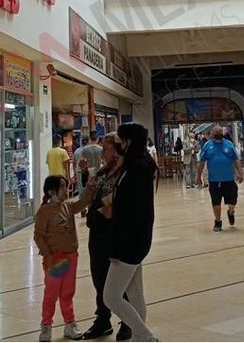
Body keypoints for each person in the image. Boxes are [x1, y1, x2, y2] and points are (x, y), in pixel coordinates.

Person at [103, 123, 158, 342]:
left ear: (129, 141)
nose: (117, 142)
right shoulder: (136, 165)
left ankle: (145, 335)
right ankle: (139, 336)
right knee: (135, 293)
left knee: (111, 297)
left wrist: (116, 246)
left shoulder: (137, 168)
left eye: (120, 138)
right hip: (136, 239)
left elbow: (133, 211)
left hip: (130, 241)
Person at [34, 174, 96, 342]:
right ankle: (46, 325)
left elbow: (84, 202)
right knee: (52, 293)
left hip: (71, 256)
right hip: (56, 259)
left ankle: (70, 323)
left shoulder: (68, 206)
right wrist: (47, 255)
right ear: (51, 191)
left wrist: (89, 187)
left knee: (68, 292)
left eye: (66, 186)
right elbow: (38, 236)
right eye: (62, 186)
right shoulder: (44, 211)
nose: (66, 189)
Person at [82, 134, 131, 342]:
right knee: (99, 276)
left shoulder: (125, 173)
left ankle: (128, 320)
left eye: (106, 149)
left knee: (118, 280)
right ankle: (103, 319)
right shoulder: (103, 171)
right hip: (97, 231)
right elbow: (92, 194)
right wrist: (86, 177)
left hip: (113, 231)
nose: (103, 153)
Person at [196, 125, 244, 232]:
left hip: (229, 180)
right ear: (212, 133)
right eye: (216, 131)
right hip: (214, 181)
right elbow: (201, 162)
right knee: (216, 203)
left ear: (222, 133)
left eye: (220, 131)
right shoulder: (207, 146)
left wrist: (240, 173)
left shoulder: (229, 144)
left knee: (232, 201)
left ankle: (230, 212)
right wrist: (198, 177)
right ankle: (218, 222)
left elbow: (236, 160)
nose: (218, 133)